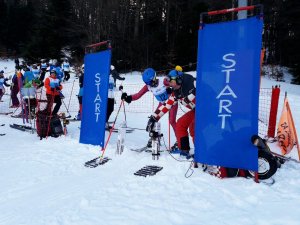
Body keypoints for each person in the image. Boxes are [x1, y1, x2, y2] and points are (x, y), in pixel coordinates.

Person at [121, 68, 178, 147]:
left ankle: (179, 141)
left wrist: (172, 90)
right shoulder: (148, 86)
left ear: (154, 77)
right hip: (162, 104)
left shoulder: (164, 81)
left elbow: (176, 85)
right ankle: (154, 139)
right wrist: (128, 98)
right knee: (152, 121)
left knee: (172, 121)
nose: (150, 85)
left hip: (172, 103)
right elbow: (138, 95)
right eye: (147, 83)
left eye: (151, 82)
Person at [147, 69, 196, 156]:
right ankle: (184, 150)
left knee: (194, 129)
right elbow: (166, 105)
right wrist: (154, 117)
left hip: (206, 109)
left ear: (178, 80)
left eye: (170, 81)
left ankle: (202, 152)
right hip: (196, 111)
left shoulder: (192, 82)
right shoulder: (176, 92)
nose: (169, 84)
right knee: (180, 123)